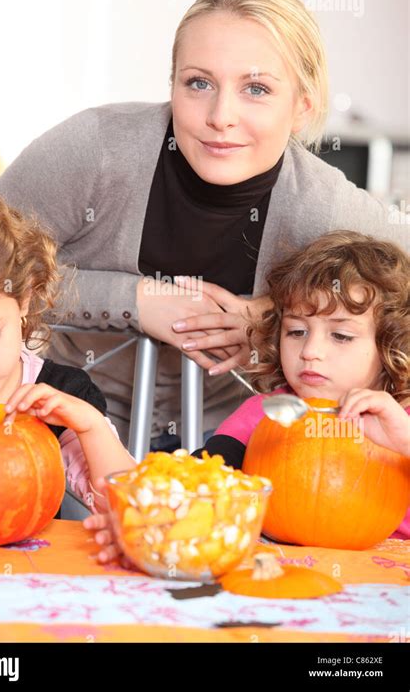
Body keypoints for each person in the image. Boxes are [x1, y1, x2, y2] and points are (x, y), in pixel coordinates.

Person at [0, 0, 408, 447]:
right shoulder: (95, 149)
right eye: (199, 83)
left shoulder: (322, 203)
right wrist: (136, 301)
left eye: (256, 89)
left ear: (301, 107)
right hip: (57, 424)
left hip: (234, 441)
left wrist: (273, 317)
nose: (220, 116)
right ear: (172, 85)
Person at [86, 230, 409, 562]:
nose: (310, 351)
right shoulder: (266, 412)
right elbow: (207, 476)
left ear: (392, 346)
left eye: (340, 336)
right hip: (277, 570)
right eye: (296, 331)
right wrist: (147, 523)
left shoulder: (401, 421)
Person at [0, 186, 135, 512]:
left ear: (24, 299)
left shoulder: (66, 392)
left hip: (37, 559)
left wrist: (90, 426)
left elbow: (124, 508)